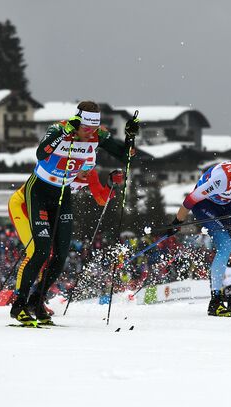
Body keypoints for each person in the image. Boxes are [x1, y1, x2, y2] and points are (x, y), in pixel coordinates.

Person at [9, 101, 138, 326]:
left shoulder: (98, 136)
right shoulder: (59, 129)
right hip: (38, 190)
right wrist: (65, 135)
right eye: (86, 128)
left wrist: (129, 138)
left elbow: (126, 156)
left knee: (60, 255)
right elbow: (41, 154)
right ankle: (19, 304)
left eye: (94, 129)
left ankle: (36, 301)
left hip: (62, 194)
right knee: (40, 251)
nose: (91, 134)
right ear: (77, 122)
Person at [8, 167, 124, 315]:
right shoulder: (65, 166)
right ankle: (20, 300)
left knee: (53, 255)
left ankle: (37, 299)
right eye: (83, 167)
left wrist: (110, 184)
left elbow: (101, 199)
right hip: (23, 204)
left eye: (90, 166)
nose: (86, 172)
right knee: (35, 251)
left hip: (48, 208)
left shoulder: (90, 173)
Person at [167, 154, 231, 317]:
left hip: (226, 206)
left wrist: (229, 220)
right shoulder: (222, 178)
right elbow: (191, 199)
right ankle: (215, 302)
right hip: (204, 205)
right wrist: (177, 222)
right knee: (226, 245)